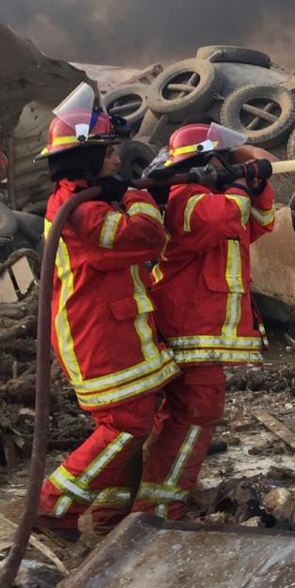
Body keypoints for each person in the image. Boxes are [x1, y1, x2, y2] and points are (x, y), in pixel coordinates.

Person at [35, 84, 179, 540]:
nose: (117, 160)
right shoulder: (81, 211)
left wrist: (122, 192)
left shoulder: (85, 201)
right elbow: (146, 238)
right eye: (109, 153)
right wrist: (137, 196)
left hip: (115, 329)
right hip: (95, 334)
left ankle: (110, 513)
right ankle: (51, 503)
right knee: (124, 424)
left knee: (131, 420)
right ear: (87, 158)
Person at [136, 123, 276, 520]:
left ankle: (159, 490)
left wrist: (257, 182)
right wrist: (239, 183)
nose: (231, 164)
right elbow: (223, 218)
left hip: (204, 329)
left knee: (187, 411)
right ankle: (161, 504)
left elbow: (261, 222)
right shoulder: (186, 198)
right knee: (196, 410)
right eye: (225, 159)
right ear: (207, 161)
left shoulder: (218, 199)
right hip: (190, 327)